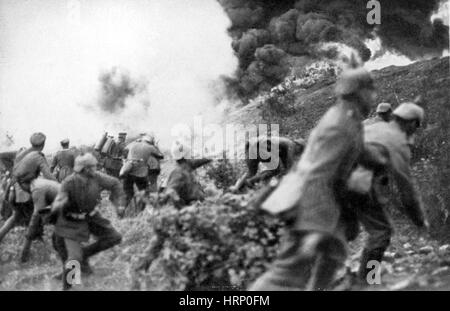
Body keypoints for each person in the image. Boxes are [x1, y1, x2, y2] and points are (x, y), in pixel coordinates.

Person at [249, 63, 377, 291]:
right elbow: (322, 170)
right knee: (286, 274)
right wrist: (318, 223)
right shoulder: (342, 125)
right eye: (370, 91)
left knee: (332, 256)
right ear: (360, 92)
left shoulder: (344, 116)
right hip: (312, 202)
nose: (373, 97)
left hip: (315, 199)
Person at [347, 101, 428, 283]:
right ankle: (368, 281)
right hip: (352, 181)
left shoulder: (369, 126)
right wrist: (419, 220)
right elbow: (406, 189)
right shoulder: (397, 141)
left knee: (347, 231)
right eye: (415, 126)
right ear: (410, 122)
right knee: (381, 233)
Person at [51, 153, 125, 290]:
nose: (96, 169)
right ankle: (66, 288)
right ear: (86, 169)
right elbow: (59, 200)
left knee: (114, 237)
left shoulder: (96, 177)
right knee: (74, 260)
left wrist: (119, 205)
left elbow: (115, 184)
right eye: (93, 167)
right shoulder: (69, 182)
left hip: (91, 216)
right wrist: (55, 211)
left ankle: (84, 255)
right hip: (70, 221)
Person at [0, 132, 57, 243]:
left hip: (12, 190)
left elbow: (2, 155)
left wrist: (10, 170)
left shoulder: (20, 153)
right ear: (43, 144)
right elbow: (49, 176)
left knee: (15, 217)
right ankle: (34, 240)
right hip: (23, 193)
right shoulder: (38, 157)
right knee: (38, 211)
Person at [230, 136, 305, 192]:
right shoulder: (291, 145)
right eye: (300, 150)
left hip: (250, 146)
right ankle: (252, 182)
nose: (298, 153)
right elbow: (290, 167)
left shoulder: (285, 147)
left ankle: (236, 188)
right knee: (275, 170)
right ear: (298, 145)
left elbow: (286, 167)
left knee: (251, 172)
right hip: (259, 147)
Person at [160, 141, 211, 208]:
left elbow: (198, 162)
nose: (192, 155)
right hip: (191, 209)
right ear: (185, 156)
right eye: (190, 154)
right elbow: (171, 191)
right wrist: (183, 209)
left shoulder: (186, 166)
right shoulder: (178, 173)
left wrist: (213, 156)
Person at [20, 178, 60, 263]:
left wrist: (28, 239)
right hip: (63, 203)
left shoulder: (36, 188)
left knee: (59, 239)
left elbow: (36, 214)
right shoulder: (38, 182)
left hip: (68, 205)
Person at [120, 134, 164, 208]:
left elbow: (124, 151)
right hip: (140, 173)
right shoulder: (150, 147)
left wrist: (128, 158)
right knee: (143, 193)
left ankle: (122, 212)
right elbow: (161, 156)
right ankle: (140, 210)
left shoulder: (133, 143)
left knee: (127, 193)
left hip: (128, 170)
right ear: (150, 141)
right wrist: (156, 146)